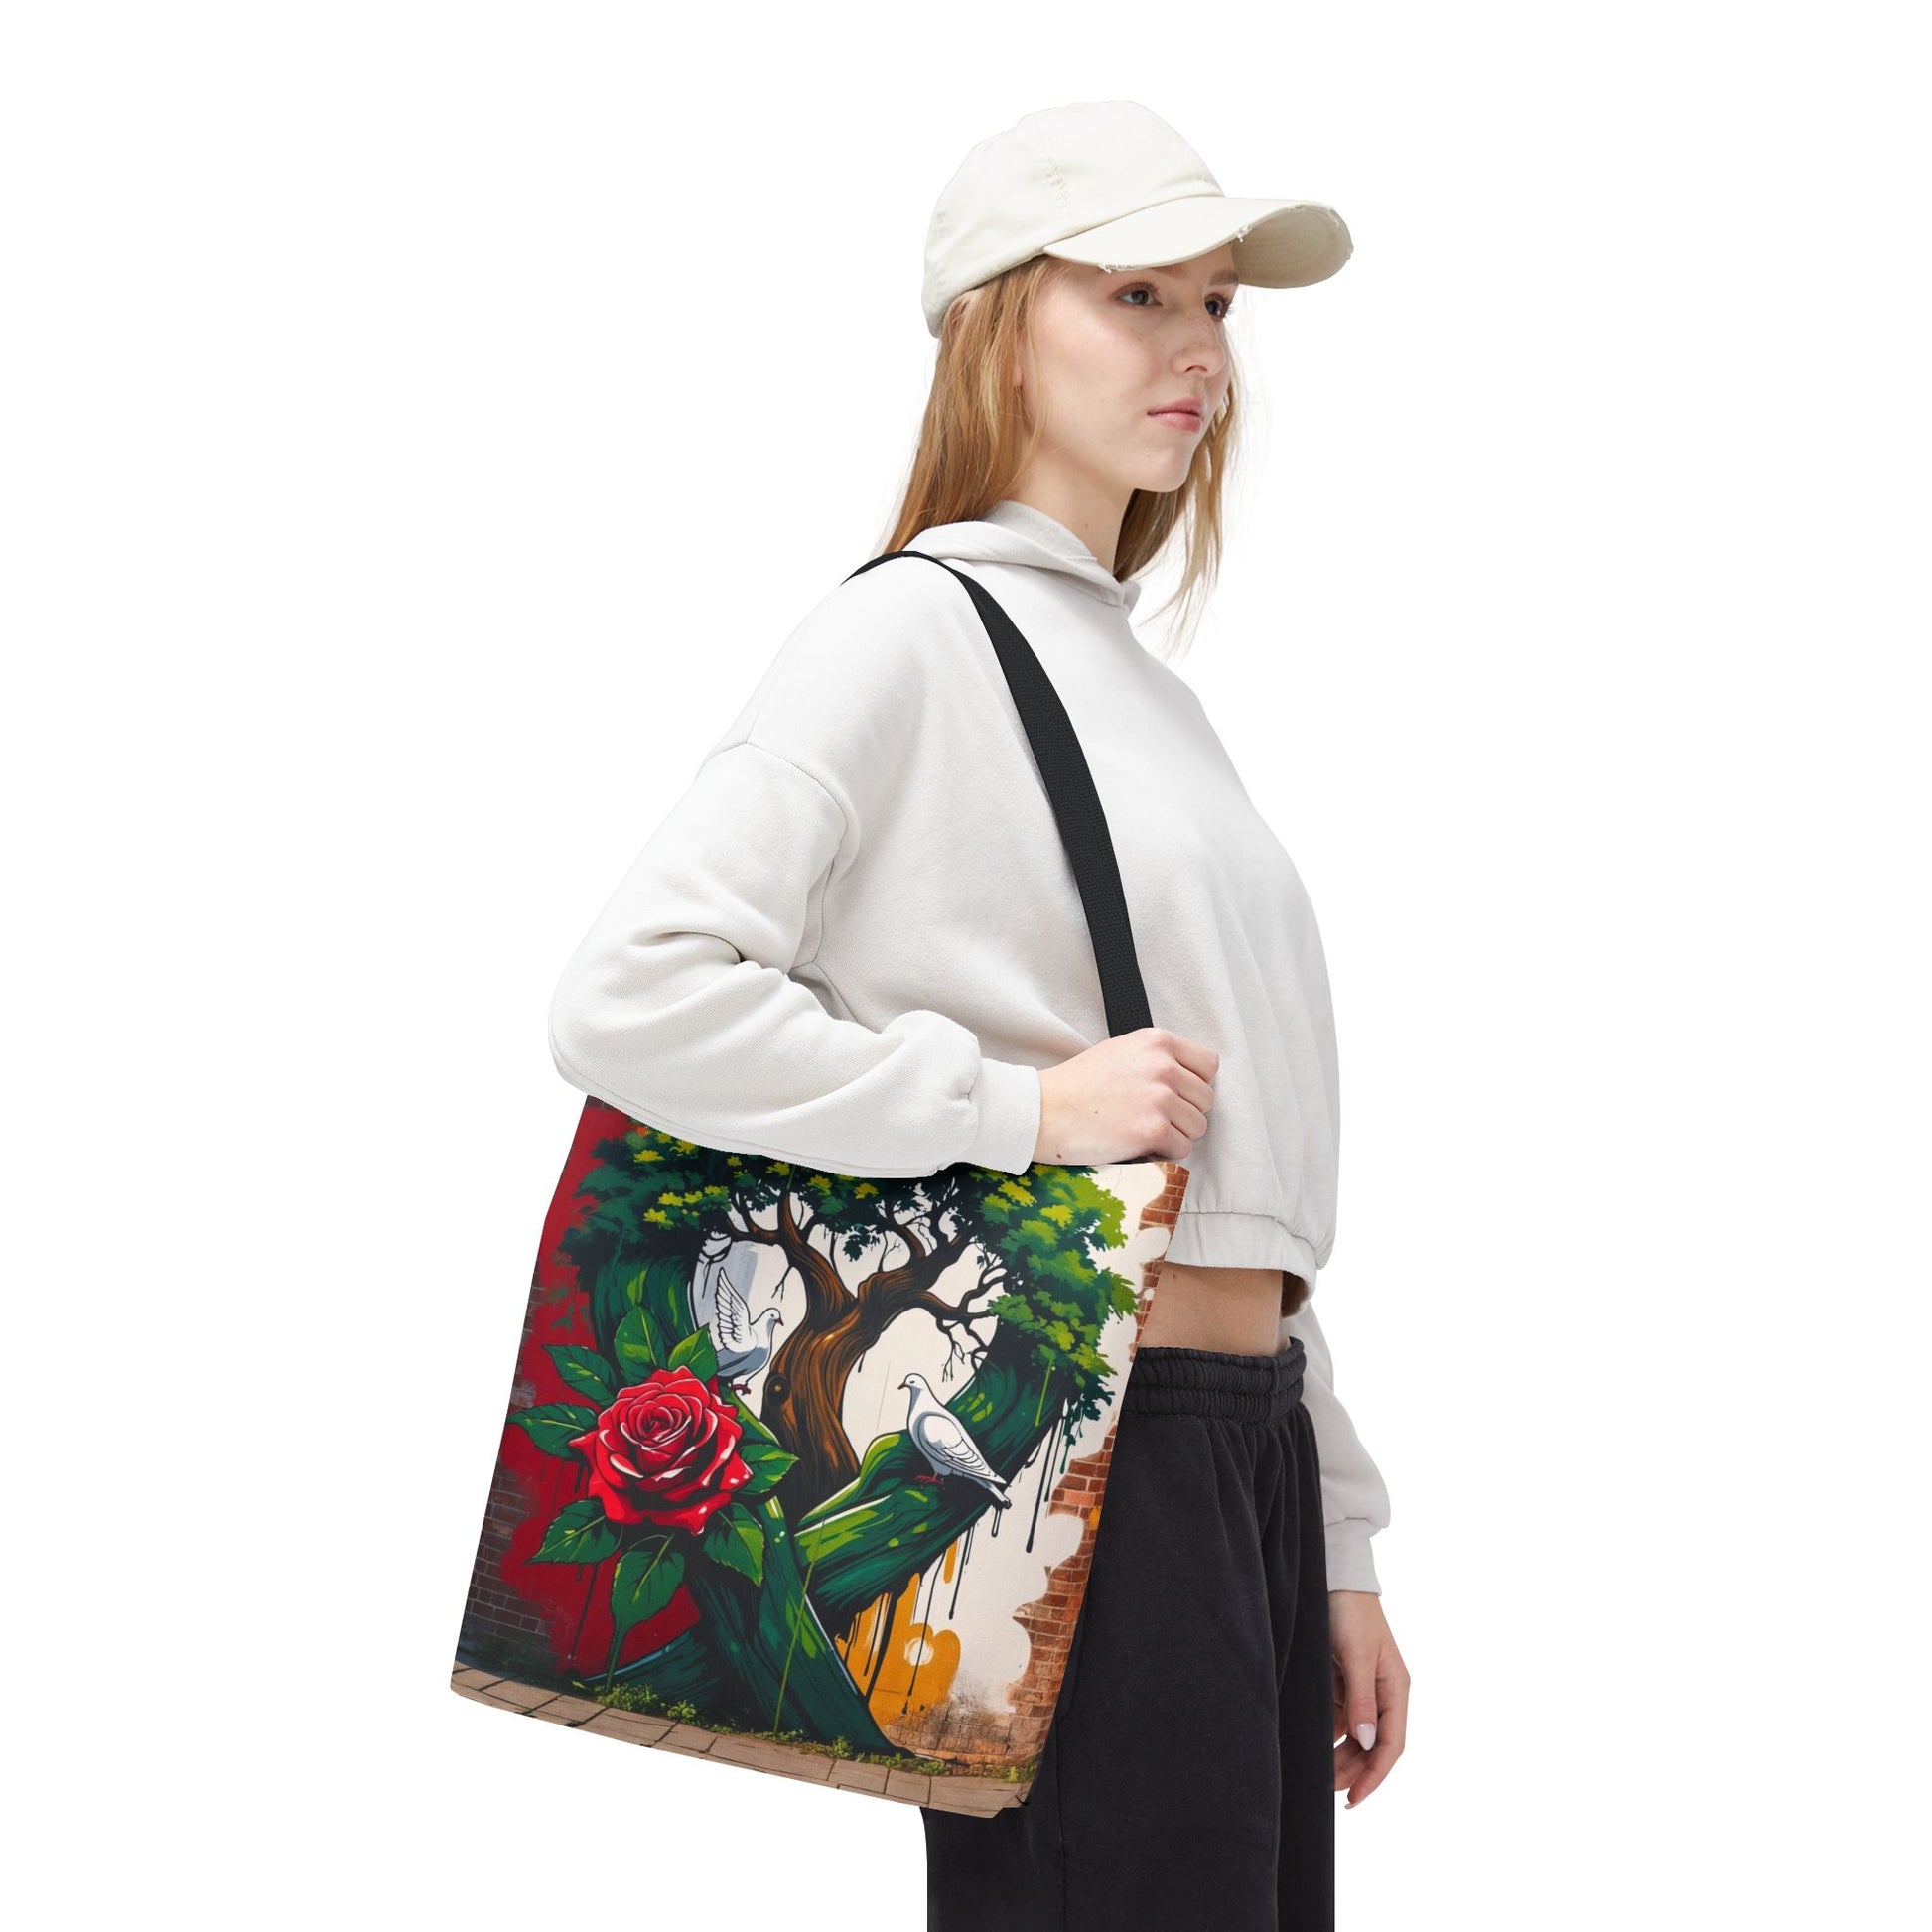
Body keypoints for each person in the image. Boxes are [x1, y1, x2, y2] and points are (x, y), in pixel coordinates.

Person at [545, 99, 1409, 1931]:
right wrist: (1018, 1108)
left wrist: (1332, 1533)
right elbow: (630, 994)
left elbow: (1231, 1171)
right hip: (1081, 1447)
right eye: (1136, 294)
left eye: (1217, 303)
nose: (1197, 346)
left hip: (1230, 1445)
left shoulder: (1148, 693)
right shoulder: (906, 634)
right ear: (1000, 328)